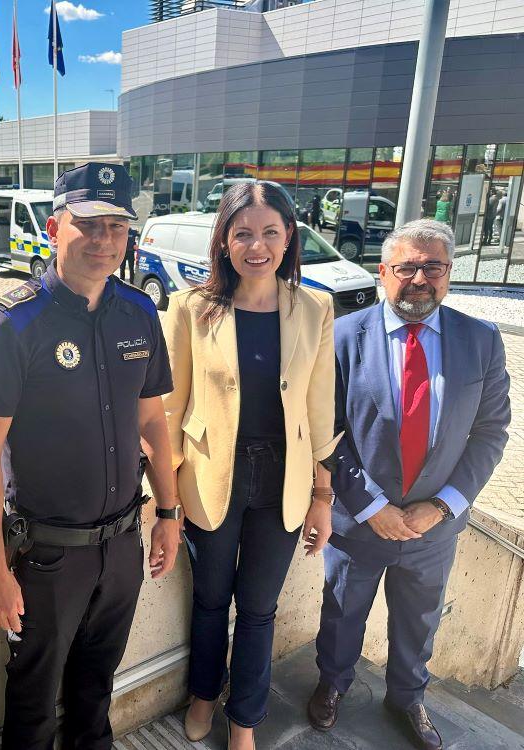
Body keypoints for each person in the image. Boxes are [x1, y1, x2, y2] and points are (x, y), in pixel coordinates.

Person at [0, 162, 181, 749]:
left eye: (117, 225)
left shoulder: (138, 313)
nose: (104, 239)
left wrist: (168, 512)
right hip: (47, 558)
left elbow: (152, 422)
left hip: (121, 547)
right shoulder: (12, 324)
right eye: (88, 224)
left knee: (96, 689)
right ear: (55, 225)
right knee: (34, 702)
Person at [307, 219, 511, 750]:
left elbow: (491, 432)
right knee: (342, 611)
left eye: (433, 267)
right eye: (407, 267)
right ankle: (332, 683)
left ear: (449, 273)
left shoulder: (481, 341)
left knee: (419, 621)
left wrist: (443, 506)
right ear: (383, 272)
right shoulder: (345, 336)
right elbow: (327, 431)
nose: (420, 278)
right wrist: (371, 505)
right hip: (360, 519)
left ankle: (408, 697)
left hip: (433, 527)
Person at [162, 181, 338, 749]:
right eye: (243, 233)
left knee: (259, 608)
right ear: (224, 240)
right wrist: (161, 498)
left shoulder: (315, 307)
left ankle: (245, 722)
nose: (256, 246)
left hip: (283, 480)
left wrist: (322, 496)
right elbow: (169, 407)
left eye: (269, 232)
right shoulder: (192, 308)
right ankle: (204, 696)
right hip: (212, 474)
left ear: (290, 237)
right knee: (212, 599)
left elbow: (320, 407)